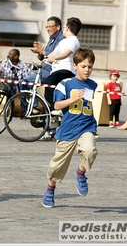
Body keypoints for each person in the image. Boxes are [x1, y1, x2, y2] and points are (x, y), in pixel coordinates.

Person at [42, 47, 98, 208]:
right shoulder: (65, 84)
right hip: (68, 129)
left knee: (90, 150)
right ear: (75, 66)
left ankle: (80, 173)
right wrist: (73, 98)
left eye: (90, 67)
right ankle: (50, 190)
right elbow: (57, 105)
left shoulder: (93, 85)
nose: (87, 70)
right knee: (57, 166)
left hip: (87, 126)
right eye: (83, 66)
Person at [41, 17, 82, 140]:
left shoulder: (73, 40)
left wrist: (56, 57)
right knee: (47, 89)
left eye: (64, 27)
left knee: (48, 83)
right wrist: (42, 62)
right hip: (56, 71)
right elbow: (52, 54)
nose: (63, 28)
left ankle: (56, 108)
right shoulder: (63, 41)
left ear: (68, 28)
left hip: (66, 71)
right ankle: (51, 124)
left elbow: (66, 53)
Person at [29, 16, 65, 81]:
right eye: (47, 27)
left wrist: (41, 51)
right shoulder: (51, 38)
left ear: (58, 27)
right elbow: (42, 58)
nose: (48, 29)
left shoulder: (62, 39)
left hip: (52, 72)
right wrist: (40, 52)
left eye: (50, 26)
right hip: (43, 71)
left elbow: (55, 55)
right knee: (24, 81)